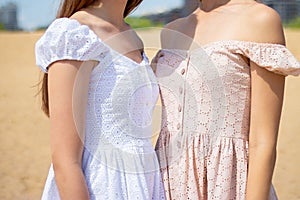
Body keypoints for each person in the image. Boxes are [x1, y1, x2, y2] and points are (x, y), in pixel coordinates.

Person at [153, 0, 300, 199]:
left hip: (226, 181)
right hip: (166, 180)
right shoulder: (171, 30)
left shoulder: (259, 19)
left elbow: (262, 141)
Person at [35, 0, 165, 199]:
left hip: (143, 180)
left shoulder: (131, 35)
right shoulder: (74, 33)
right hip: (102, 184)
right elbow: (65, 160)